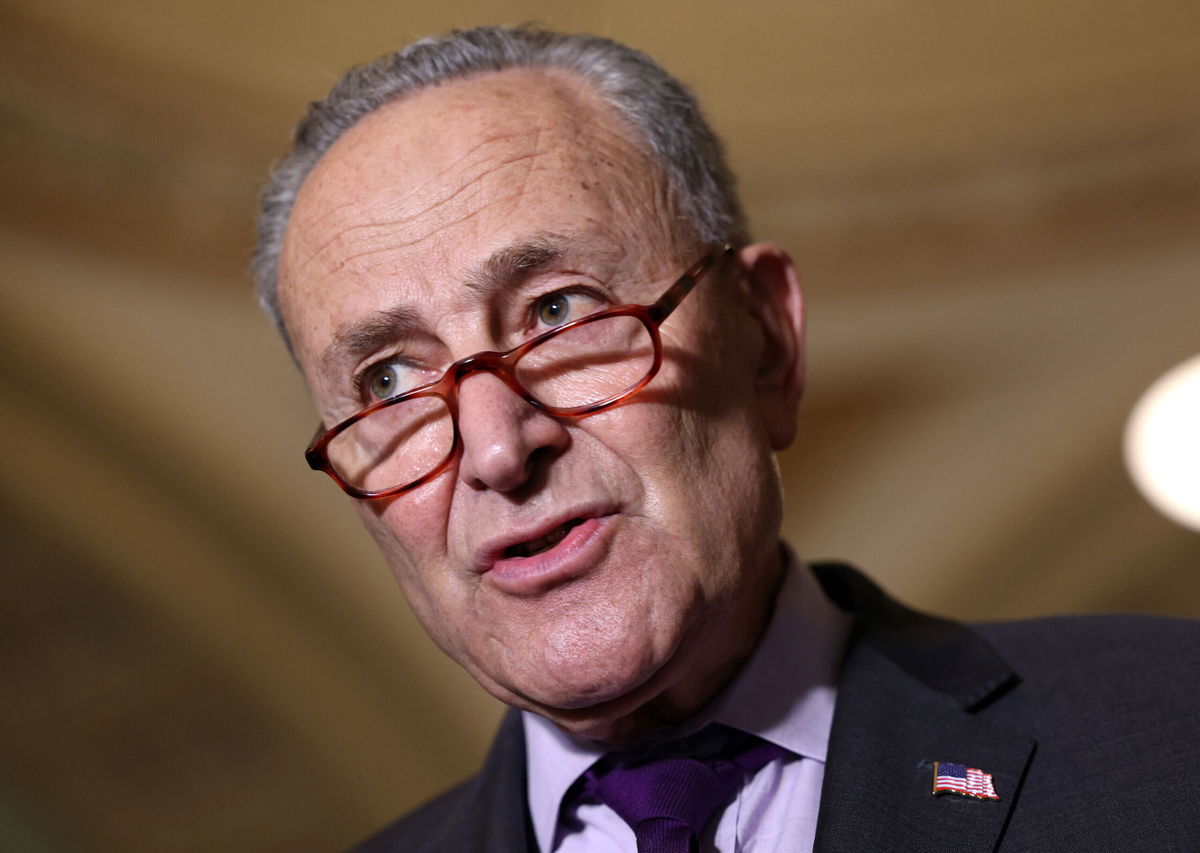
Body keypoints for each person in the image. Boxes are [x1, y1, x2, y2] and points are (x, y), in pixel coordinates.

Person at [252, 25, 1200, 853]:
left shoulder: (1169, 730)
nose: (498, 448)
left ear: (766, 337)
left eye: (557, 310)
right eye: (388, 381)